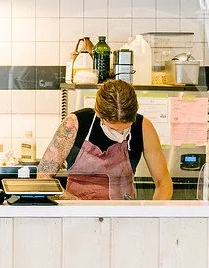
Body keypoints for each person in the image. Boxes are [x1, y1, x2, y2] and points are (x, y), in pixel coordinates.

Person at [38, 79, 173, 200]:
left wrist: (154, 216)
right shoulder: (73, 125)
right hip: (76, 215)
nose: (120, 134)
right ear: (98, 113)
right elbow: (43, 177)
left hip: (123, 216)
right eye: (112, 128)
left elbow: (163, 183)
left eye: (125, 128)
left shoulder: (144, 127)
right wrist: (79, 206)